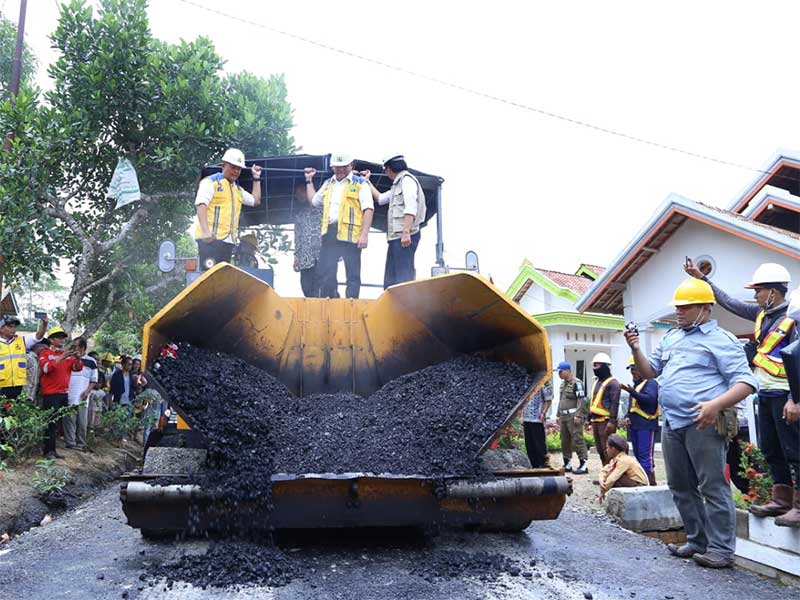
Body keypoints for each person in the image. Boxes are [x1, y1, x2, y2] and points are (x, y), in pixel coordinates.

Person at [625, 278, 758, 569]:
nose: (679, 312)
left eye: (687, 307)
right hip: (672, 422)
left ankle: (721, 550)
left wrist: (716, 405)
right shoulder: (672, 337)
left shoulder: (722, 340)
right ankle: (697, 541)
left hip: (704, 423)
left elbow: (747, 382)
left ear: (706, 309)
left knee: (713, 486)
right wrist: (636, 348)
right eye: (678, 307)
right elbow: (650, 372)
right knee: (680, 485)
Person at [685, 260, 799, 526]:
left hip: (787, 394)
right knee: (772, 449)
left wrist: (796, 398)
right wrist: (703, 279)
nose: (755, 295)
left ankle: (798, 506)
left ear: (773, 291)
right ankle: (781, 499)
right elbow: (727, 302)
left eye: (758, 290)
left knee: (795, 450)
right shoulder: (761, 314)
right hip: (767, 393)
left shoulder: (794, 318)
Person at [303, 154, 374, 299]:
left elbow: (368, 209)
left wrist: (364, 235)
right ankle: (330, 301)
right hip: (330, 233)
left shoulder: (360, 184)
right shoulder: (328, 183)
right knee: (326, 271)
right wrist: (309, 180)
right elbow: (314, 201)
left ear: (351, 165)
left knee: (352, 273)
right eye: (337, 167)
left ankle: (351, 304)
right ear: (332, 167)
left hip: (351, 235)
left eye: (344, 167)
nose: (340, 170)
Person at [363, 154, 427, 288]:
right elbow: (380, 199)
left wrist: (406, 232)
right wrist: (367, 181)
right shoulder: (398, 184)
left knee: (403, 277)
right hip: (396, 237)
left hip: (404, 236)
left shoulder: (407, 180)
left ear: (389, 168)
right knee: (391, 279)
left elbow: (411, 207)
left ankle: (406, 305)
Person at [194, 148, 263, 270]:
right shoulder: (211, 182)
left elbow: (255, 200)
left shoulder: (237, 189)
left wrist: (256, 178)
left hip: (228, 242)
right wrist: (205, 232)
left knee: (221, 280)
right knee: (211, 278)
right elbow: (201, 205)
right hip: (211, 240)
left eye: (239, 168)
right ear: (223, 165)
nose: (236, 171)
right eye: (233, 167)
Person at [39, 327, 83, 459]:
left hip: (64, 393)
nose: (62, 340)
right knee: (51, 423)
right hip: (51, 393)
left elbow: (77, 368)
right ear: (51, 340)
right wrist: (62, 357)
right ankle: (48, 451)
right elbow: (46, 368)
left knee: (57, 424)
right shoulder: (45, 353)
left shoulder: (66, 354)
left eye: (63, 337)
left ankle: (53, 450)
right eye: (59, 337)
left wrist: (78, 358)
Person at [621, 356, 660, 485]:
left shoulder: (651, 383)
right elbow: (633, 405)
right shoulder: (636, 385)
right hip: (635, 426)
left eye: (635, 369)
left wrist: (632, 392)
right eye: (631, 370)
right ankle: (643, 482)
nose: (633, 372)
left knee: (646, 457)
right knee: (638, 457)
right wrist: (627, 416)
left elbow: (650, 400)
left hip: (646, 426)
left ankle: (650, 484)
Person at [0, 313, 48, 400]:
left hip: (19, 386)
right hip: (2, 386)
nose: (13, 329)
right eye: (10, 326)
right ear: (1, 328)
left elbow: (38, 336)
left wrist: (44, 324)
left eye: (14, 327)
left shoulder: (21, 340)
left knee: (17, 412)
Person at [63, 338, 98, 450]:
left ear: (82, 347)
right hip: (69, 394)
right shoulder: (68, 359)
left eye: (75, 346)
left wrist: (87, 391)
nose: (73, 348)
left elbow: (94, 379)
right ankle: (70, 443)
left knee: (82, 422)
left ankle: (81, 443)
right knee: (69, 420)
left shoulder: (91, 361)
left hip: (83, 395)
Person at [555, 361, 589, 474]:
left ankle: (583, 464)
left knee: (577, 439)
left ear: (568, 371)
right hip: (564, 416)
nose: (559, 374)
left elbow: (581, 400)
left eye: (561, 371)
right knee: (564, 440)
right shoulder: (562, 384)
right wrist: (558, 415)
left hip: (573, 416)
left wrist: (578, 415)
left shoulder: (577, 383)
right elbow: (561, 400)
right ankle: (567, 463)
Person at [588, 352, 620, 466]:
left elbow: (614, 403)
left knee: (609, 452)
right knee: (601, 451)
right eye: (594, 365)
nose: (594, 368)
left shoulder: (613, 383)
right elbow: (593, 401)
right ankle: (605, 474)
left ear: (605, 366)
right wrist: (589, 418)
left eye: (597, 365)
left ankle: (612, 476)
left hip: (605, 422)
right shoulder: (596, 382)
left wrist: (612, 421)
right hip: (596, 421)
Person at [292, 180, 324, 297]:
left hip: (322, 254)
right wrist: (297, 256)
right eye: (297, 194)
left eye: (301, 192)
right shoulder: (300, 215)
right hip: (306, 257)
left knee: (321, 286)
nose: (299, 196)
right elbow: (297, 237)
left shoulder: (323, 209)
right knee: (305, 285)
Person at [599, 434, 649, 502]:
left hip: (640, 487)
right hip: (633, 484)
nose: (606, 450)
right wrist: (601, 480)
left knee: (616, 478)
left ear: (613, 449)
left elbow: (613, 478)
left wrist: (602, 491)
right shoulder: (615, 460)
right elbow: (604, 471)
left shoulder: (624, 460)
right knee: (610, 473)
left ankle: (626, 501)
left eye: (607, 448)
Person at [523, 379, 553, 468]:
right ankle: (533, 464)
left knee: (539, 442)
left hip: (537, 418)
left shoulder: (543, 383)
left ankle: (543, 463)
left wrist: (543, 412)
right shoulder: (526, 382)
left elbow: (548, 400)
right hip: (526, 418)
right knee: (529, 443)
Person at [23, 342, 48, 406]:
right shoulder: (28, 358)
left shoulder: (38, 360)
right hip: (26, 391)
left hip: (33, 392)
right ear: (39, 349)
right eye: (45, 350)